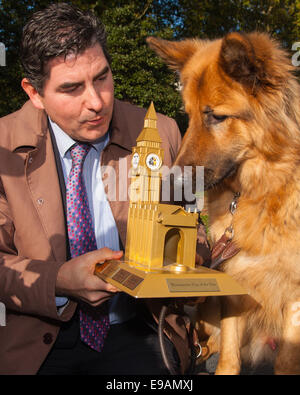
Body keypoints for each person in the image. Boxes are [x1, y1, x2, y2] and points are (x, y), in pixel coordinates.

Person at [0, 3, 209, 375]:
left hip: (144, 331)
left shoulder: (165, 132)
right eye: (71, 88)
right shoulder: (2, 148)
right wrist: (60, 280)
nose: (96, 102)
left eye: (102, 77)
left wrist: (191, 261)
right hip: (37, 344)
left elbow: (195, 226)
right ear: (34, 93)